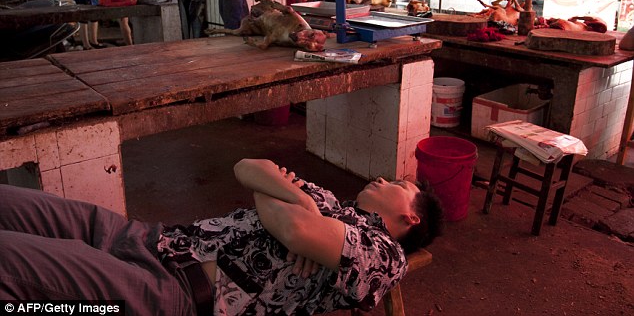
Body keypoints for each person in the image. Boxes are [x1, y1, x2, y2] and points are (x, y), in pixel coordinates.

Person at [0, 158, 443, 315]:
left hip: (167, 291)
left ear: (410, 217)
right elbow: (248, 166)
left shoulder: (384, 256)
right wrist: (297, 202)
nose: (385, 179)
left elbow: (292, 227)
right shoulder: (331, 204)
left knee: (12, 267)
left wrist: (288, 209)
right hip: (146, 237)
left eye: (399, 185)